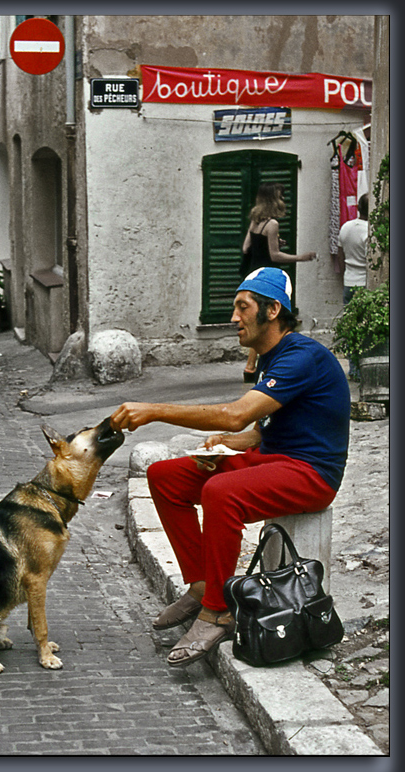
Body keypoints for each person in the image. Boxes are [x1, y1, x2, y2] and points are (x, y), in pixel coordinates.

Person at [110, 267, 350, 669]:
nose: (234, 317)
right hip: (275, 458)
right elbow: (260, 428)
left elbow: (235, 415)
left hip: (312, 473)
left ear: (273, 310)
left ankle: (219, 611)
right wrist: (227, 447)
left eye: (243, 307)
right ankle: (203, 585)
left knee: (221, 492)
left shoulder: (302, 357)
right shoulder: (270, 357)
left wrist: (154, 411)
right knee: (165, 477)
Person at [240, 183, 316, 382]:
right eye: (280, 196)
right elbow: (275, 256)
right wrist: (301, 257)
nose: (283, 200)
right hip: (269, 277)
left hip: (253, 275)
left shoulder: (256, 220)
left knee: (260, 319)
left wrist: (268, 244)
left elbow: (246, 248)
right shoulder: (272, 224)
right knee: (271, 319)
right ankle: (259, 364)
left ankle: (250, 368)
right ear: (274, 200)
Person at [337, 193, 369, 379]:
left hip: (349, 282)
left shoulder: (346, 227)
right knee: (366, 328)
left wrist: (344, 275)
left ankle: (354, 367)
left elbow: (340, 256)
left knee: (352, 327)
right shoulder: (369, 232)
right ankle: (365, 366)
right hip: (365, 283)